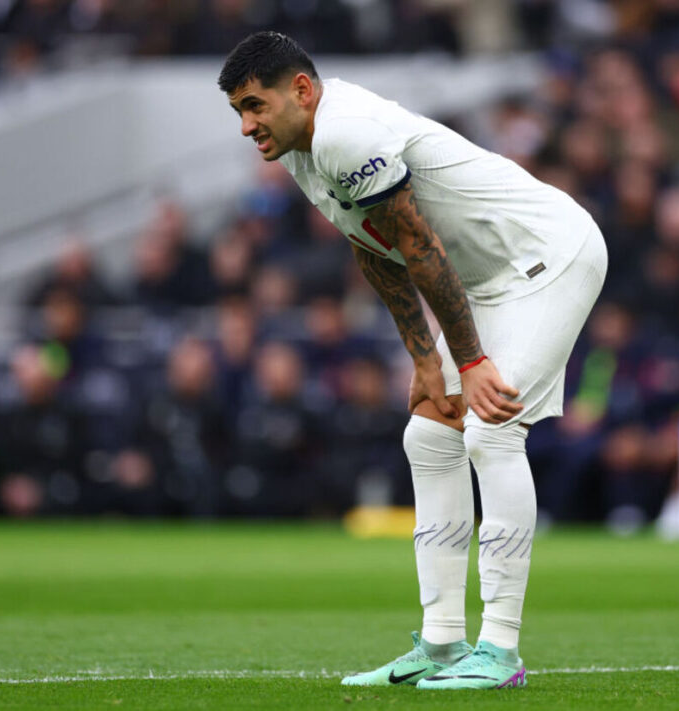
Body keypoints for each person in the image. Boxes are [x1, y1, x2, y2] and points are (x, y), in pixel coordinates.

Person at [218, 32, 607, 690]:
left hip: (549, 256)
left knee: (491, 428)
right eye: (238, 113)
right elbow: (374, 246)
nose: (248, 125)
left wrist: (471, 358)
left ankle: (502, 650)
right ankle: (442, 644)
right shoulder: (303, 150)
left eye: (255, 105)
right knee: (430, 432)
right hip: (488, 281)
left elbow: (418, 240)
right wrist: (425, 360)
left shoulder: (345, 133)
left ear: (302, 90)